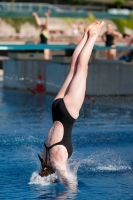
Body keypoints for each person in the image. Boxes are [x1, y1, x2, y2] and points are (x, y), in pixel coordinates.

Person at [38, 21, 105, 189]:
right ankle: (85, 35)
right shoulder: (44, 158)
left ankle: (93, 36)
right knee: (73, 69)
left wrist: (69, 192)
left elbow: (70, 184)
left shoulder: (56, 162)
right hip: (56, 108)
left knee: (82, 68)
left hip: (67, 112)